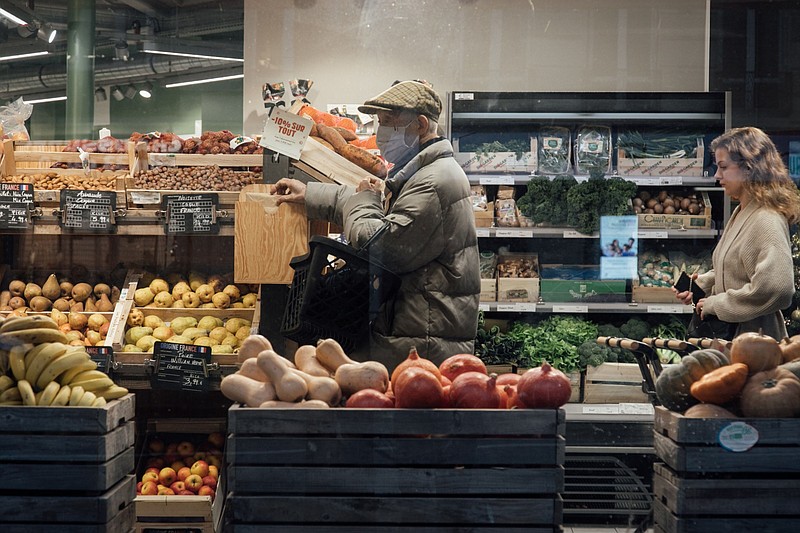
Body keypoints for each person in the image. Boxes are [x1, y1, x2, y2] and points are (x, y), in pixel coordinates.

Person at [271, 80, 480, 369]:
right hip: (415, 327)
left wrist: (366, 198)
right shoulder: (423, 172)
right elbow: (373, 204)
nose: (382, 133)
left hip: (421, 339)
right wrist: (310, 194)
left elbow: (379, 245)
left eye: (389, 123)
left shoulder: (433, 182)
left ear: (420, 125)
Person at [675, 126, 800, 340]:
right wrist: (703, 284)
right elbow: (740, 264)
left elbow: (777, 288)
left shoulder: (766, 218)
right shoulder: (743, 210)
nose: (717, 175)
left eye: (724, 167)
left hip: (755, 346)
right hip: (736, 341)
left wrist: (717, 304)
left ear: (749, 168)